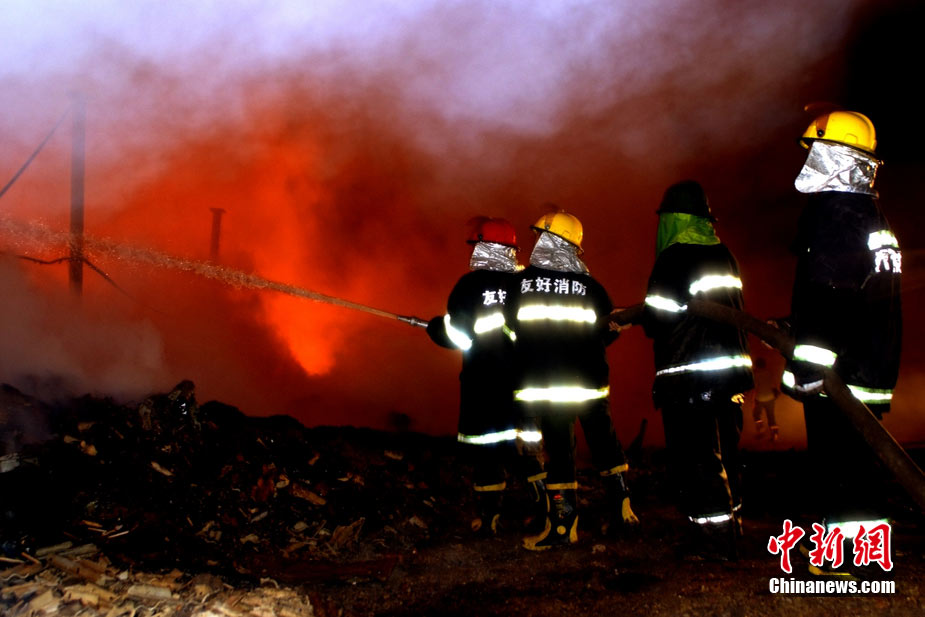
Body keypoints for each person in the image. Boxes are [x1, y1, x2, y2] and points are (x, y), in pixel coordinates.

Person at [782, 110, 902, 575]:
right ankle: (867, 557)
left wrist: (808, 366)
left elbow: (829, 294)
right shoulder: (871, 215)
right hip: (870, 362)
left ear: (837, 157)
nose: (810, 159)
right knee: (860, 467)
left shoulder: (834, 215)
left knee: (838, 465)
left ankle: (843, 559)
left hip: (840, 371)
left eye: (818, 150)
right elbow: (858, 295)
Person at [503, 209, 638, 551]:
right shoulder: (591, 287)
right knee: (604, 442)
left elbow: (510, 332)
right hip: (589, 383)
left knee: (560, 454)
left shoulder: (519, 285)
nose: (536, 241)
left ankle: (564, 527)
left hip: (548, 386)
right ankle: (623, 511)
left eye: (540, 236)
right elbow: (608, 332)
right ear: (573, 245)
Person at [640, 180, 753, 560]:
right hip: (730, 376)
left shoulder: (673, 258)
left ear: (673, 220)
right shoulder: (725, 254)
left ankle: (713, 542)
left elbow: (657, 319)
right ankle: (732, 529)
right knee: (727, 457)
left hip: (689, 378)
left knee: (697, 460)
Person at [426, 217, 546, 536]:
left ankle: (490, 520)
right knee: (529, 451)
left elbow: (459, 336)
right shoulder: (527, 283)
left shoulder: (469, 287)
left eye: (477, 245)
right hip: (525, 385)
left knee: (487, 455)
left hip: (483, 386)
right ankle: (548, 512)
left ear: (485, 247)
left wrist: (436, 329)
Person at [751, 357, 781, 441]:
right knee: (771, 416)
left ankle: (761, 429)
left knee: (756, 414)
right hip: (770, 398)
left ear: (756, 365)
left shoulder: (755, 375)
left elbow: (755, 388)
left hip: (760, 398)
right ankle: (775, 434)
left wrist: (753, 399)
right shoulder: (769, 373)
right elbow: (774, 385)